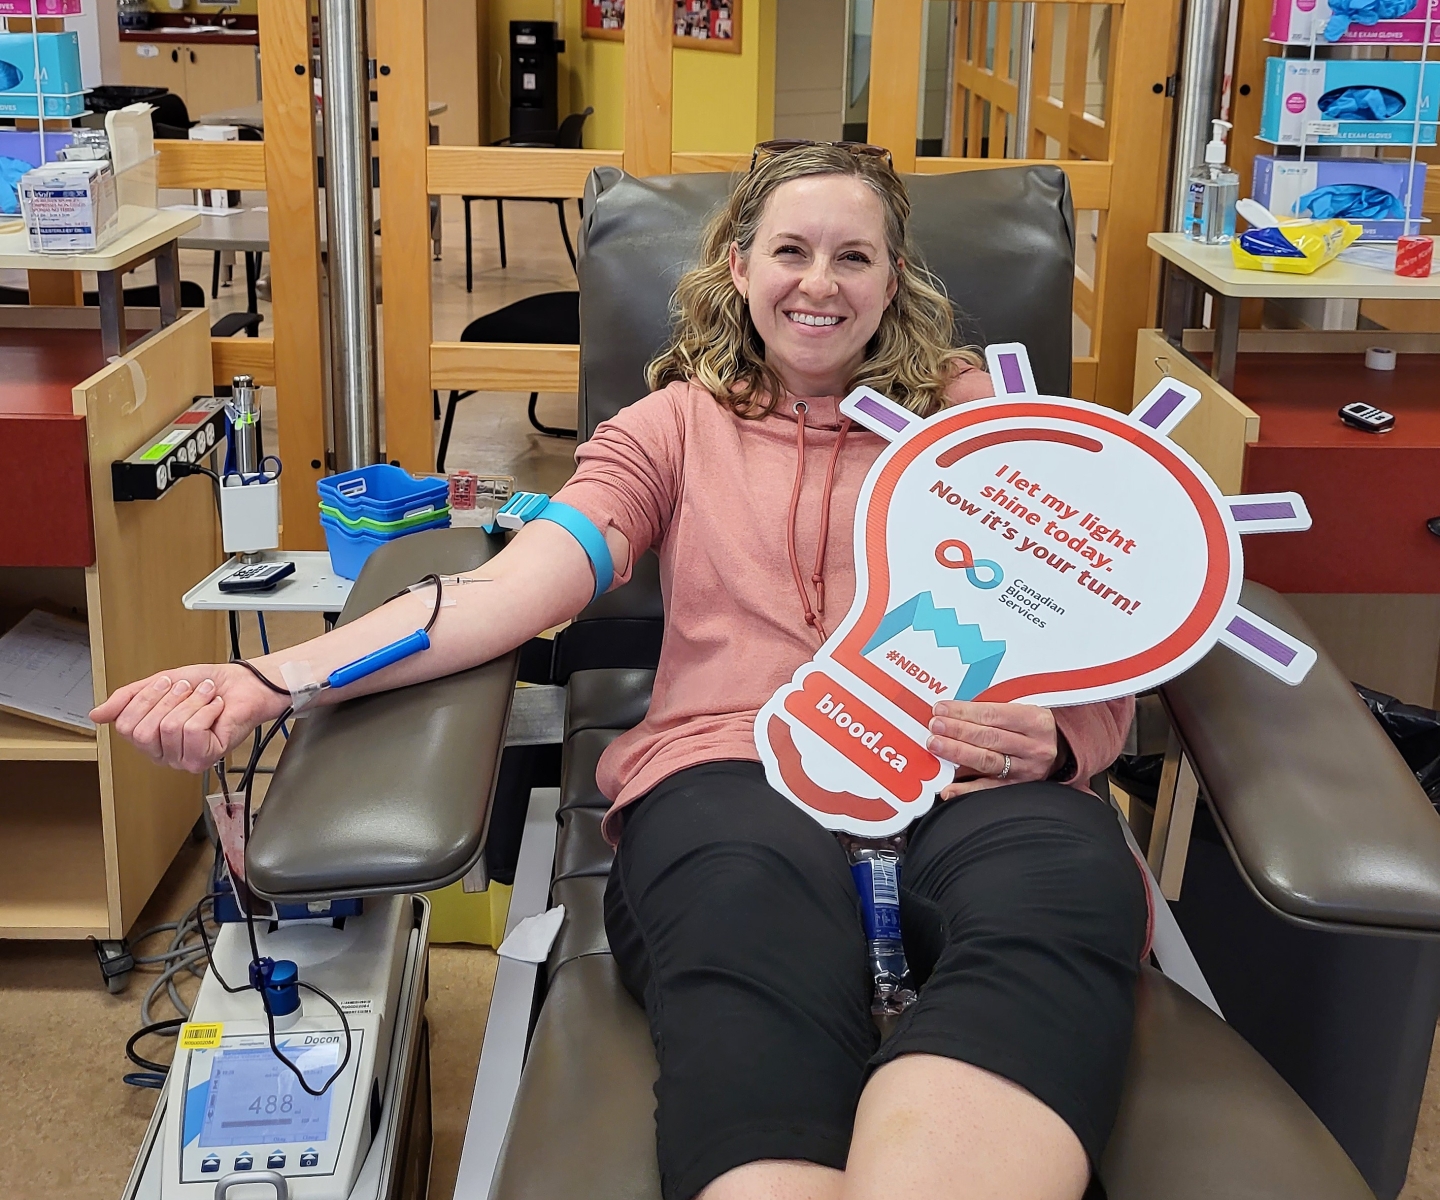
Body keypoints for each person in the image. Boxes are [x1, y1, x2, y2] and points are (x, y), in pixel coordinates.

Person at [94, 143, 1147, 1200]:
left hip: (972, 771)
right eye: (790, 250)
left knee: (1057, 899)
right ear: (739, 267)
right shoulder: (675, 428)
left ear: (893, 277)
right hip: (738, 767)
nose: (819, 283)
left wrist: (1064, 738)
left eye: (853, 256)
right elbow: (508, 593)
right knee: (744, 911)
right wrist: (275, 680)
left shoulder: (980, 422)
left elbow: (1108, 613)